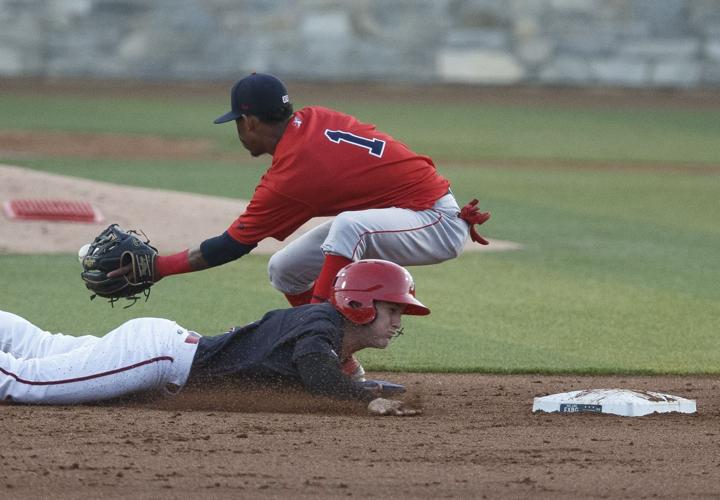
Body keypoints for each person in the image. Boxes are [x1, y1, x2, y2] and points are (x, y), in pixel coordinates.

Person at [109, 72, 490, 378]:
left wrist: (159, 268)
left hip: (436, 222)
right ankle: (343, 365)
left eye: (237, 122)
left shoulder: (294, 172)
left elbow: (231, 246)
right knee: (285, 270)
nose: (238, 130)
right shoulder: (315, 119)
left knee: (350, 227)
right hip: (411, 212)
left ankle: (321, 347)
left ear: (251, 122)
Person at [1, 260, 426, 416]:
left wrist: (361, 384)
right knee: (25, 383)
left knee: (43, 348)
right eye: (391, 309)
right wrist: (363, 397)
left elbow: (330, 370)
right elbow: (317, 375)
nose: (396, 321)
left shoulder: (324, 329)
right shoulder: (319, 329)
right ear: (359, 304)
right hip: (159, 358)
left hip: (163, 348)